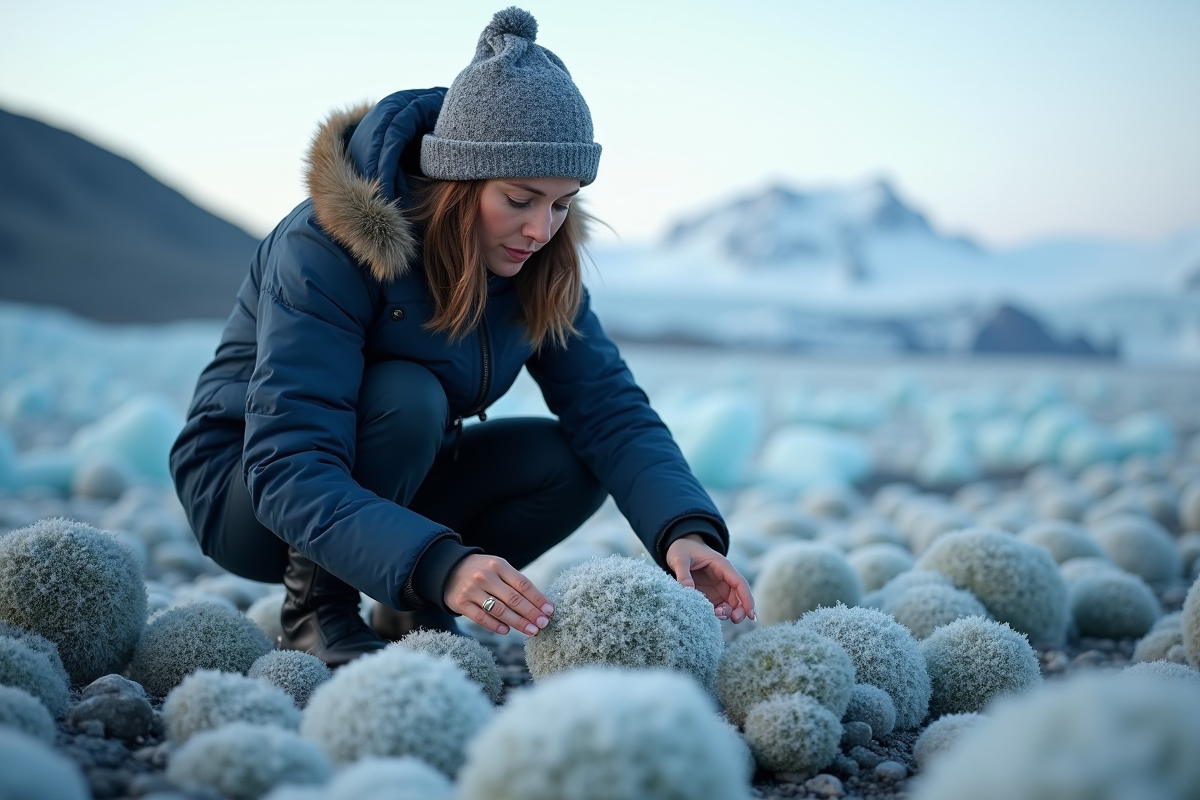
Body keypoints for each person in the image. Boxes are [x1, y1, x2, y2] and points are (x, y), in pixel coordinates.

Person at [169, 6, 754, 667]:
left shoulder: (536, 266)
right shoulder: (323, 246)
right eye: (520, 198)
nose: (542, 229)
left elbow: (610, 410)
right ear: (457, 179)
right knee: (406, 393)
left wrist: (685, 530)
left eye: (563, 203)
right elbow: (287, 464)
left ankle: (408, 603)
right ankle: (314, 610)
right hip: (250, 491)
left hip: (390, 481)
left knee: (572, 460)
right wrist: (444, 561)